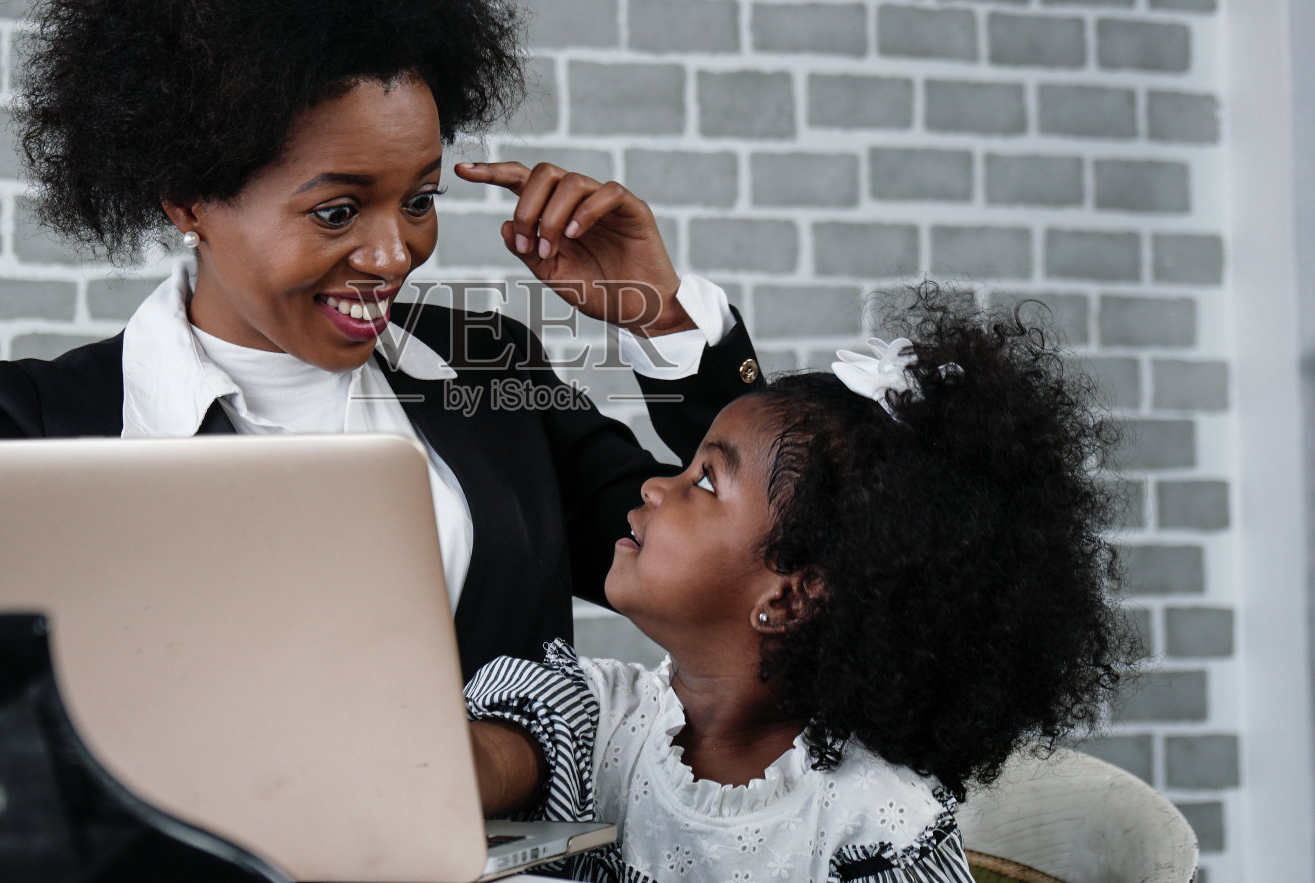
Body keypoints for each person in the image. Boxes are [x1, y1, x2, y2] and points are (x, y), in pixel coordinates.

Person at [0, 0, 762, 679]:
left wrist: (661, 314)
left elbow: (745, 557)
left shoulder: (483, 372)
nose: (394, 255)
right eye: (337, 211)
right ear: (187, 198)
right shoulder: (44, 424)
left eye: (418, 200)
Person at [464, 287, 1130, 883]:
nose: (652, 483)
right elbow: (465, 769)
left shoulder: (877, 829)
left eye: (703, 481)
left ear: (787, 596)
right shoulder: (597, 718)